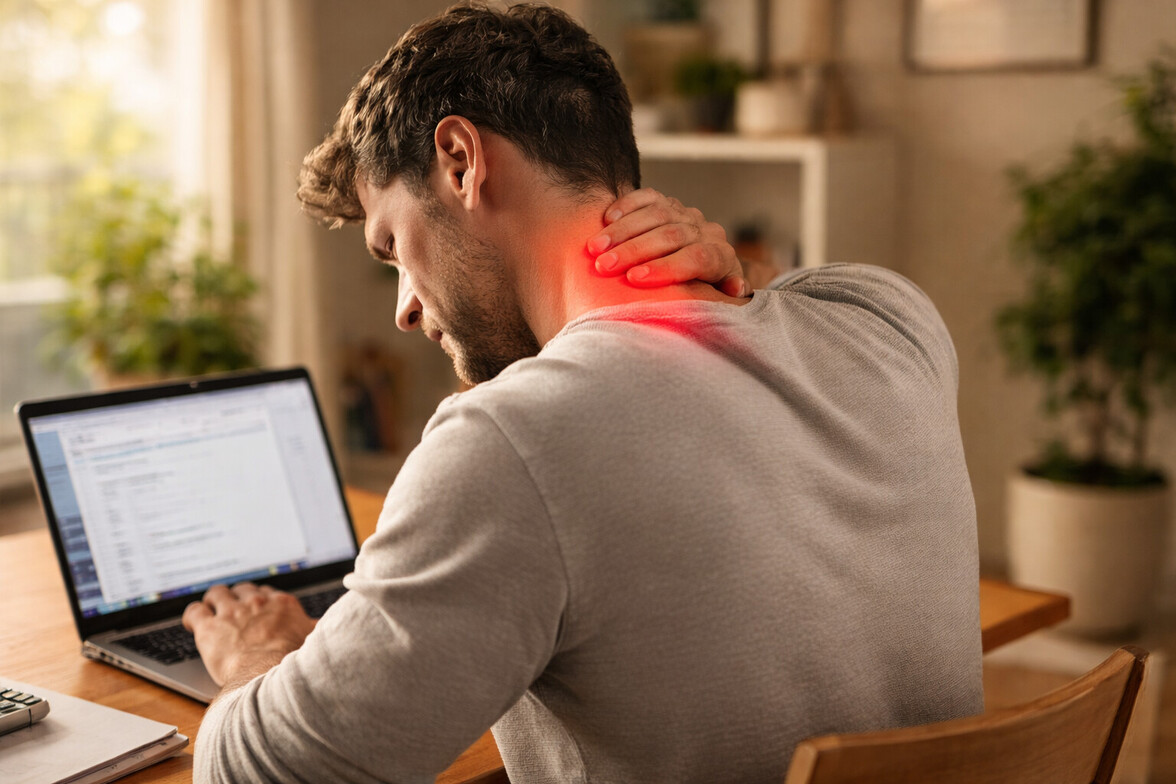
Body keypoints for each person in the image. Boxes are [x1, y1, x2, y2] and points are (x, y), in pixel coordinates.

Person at [183, 4, 983, 783]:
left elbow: (266, 772)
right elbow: (785, 299)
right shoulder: (890, 321)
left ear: (461, 161)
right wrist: (730, 263)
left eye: (394, 245)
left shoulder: (510, 443)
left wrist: (257, 653)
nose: (405, 306)